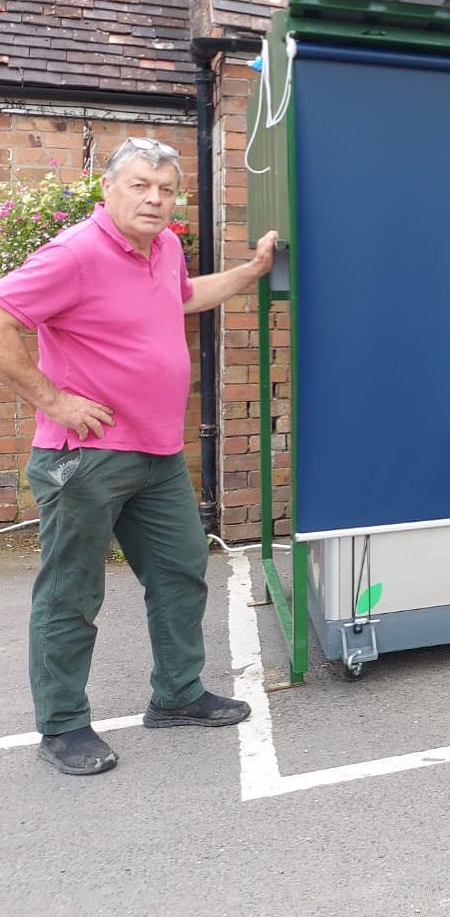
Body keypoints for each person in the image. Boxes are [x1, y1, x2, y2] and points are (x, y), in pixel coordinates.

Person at [0, 136, 278, 775]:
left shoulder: (165, 247)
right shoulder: (74, 253)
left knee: (182, 570)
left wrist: (250, 271)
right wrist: (55, 400)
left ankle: (177, 695)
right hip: (86, 457)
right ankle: (63, 725)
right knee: (71, 593)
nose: (154, 199)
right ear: (108, 189)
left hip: (158, 453)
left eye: (165, 189)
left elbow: (184, 296)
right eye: (139, 185)